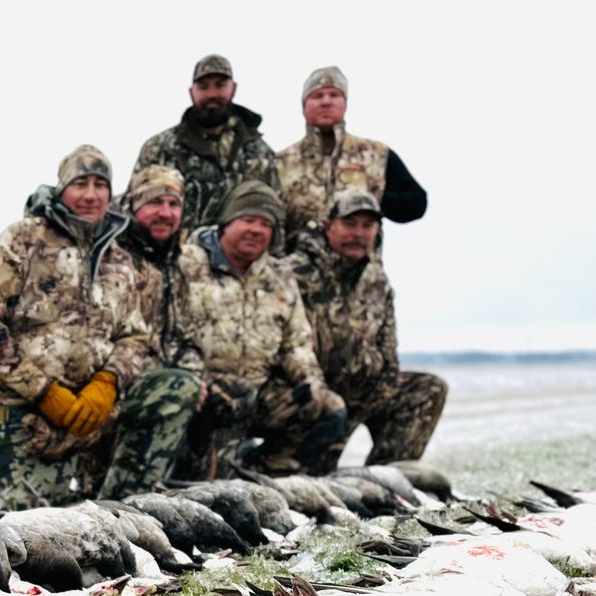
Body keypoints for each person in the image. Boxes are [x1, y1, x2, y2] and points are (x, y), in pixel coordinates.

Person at [0, 144, 150, 521]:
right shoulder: (22, 240)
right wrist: (44, 391)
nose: (91, 194)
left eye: (100, 184)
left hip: (84, 412)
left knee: (74, 517)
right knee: (22, 524)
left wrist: (107, 383)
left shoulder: (120, 260)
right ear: (62, 189)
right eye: (81, 184)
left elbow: (136, 336)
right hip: (16, 407)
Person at [264, 187, 446, 468]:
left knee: (428, 389)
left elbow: (388, 351)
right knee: (307, 480)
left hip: (360, 393)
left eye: (367, 225)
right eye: (349, 224)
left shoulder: (377, 281)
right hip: (309, 395)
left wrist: (375, 391)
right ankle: (272, 460)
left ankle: (387, 479)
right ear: (328, 227)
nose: (358, 234)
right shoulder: (291, 274)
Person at [178, 180, 346, 476]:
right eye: (248, 220)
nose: (256, 230)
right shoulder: (187, 265)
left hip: (260, 390)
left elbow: (297, 343)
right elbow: (174, 333)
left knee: (329, 407)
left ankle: (275, 472)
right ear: (227, 223)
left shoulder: (279, 276)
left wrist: (309, 382)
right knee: (215, 480)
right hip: (206, 392)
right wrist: (195, 379)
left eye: (266, 224)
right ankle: (207, 472)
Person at [89, 164, 204, 498]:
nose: (166, 213)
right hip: (109, 385)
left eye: (174, 204)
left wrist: (192, 373)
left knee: (206, 393)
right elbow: (108, 337)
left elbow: (189, 334)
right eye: (155, 203)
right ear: (134, 206)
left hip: (155, 384)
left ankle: (156, 490)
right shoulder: (112, 257)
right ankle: (123, 502)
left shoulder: (179, 263)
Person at [275, 66, 428, 245]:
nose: (326, 102)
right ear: (304, 107)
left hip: (361, 269)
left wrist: (371, 199)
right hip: (294, 268)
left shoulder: (376, 155)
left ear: (345, 104)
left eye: (334, 95)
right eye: (317, 96)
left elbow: (417, 203)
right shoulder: (279, 163)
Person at [132, 54, 282, 232]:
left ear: (233, 89)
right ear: (191, 93)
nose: (212, 94)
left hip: (239, 258)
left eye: (220, 85)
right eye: (203, 87)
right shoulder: (161, 148)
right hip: (174, 257)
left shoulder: (260, 153)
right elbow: (134, 206)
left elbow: (275, 214)